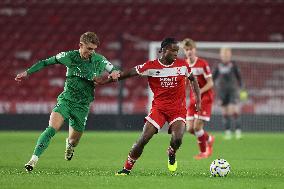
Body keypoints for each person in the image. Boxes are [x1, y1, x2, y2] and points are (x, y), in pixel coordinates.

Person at [15, 32, 120, 172]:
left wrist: (114, 73)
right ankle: (33, 160)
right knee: (51, 128)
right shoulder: (68, 56)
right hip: (66, 100)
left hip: (82, 106)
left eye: (94, 49)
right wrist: (27, 73)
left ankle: (69, 145)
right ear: (81, 45)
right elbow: (45, 62)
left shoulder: (99, 60)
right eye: (89, 48)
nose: (91, 52)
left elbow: (114, 70)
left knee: (74, 141)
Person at [107, 38, 201, 175]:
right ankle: (126, 169)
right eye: (173, 50)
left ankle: (172, 151)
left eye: (177, 51)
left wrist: (198, 99)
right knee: (144, 138)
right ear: (162, 51)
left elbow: (194, 80)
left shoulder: (183, 66)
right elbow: (129, 73)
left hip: (178, 110)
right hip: (159, 109)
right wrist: (109, 79)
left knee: (178, 139)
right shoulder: (150, 66)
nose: (176, 53)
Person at [181, 38, 215, 160]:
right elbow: (184, 83)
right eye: (186, 49)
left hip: (205, 98)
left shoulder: (202, 64)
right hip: (193, 99)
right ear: (184, 51)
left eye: (191, 49)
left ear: (195, 50)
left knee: (197, 127)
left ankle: (203, 152)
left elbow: (211, 83)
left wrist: (199, 92)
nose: (189, 51)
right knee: (190, 129)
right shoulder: (184, 65)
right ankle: (209, 139)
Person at [212, 47, 244, 140]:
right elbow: (213, 78)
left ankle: (238, 131)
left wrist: (242, 88)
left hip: (233, 90)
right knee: (225, 111)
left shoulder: (233, 65)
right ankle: (228, 132)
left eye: (227, 54)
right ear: (221, 55)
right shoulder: (218, 66)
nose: (225, 56)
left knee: (233, 110)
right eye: (224, 54)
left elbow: (239, 77)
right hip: (222, 91)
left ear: (230, 55)